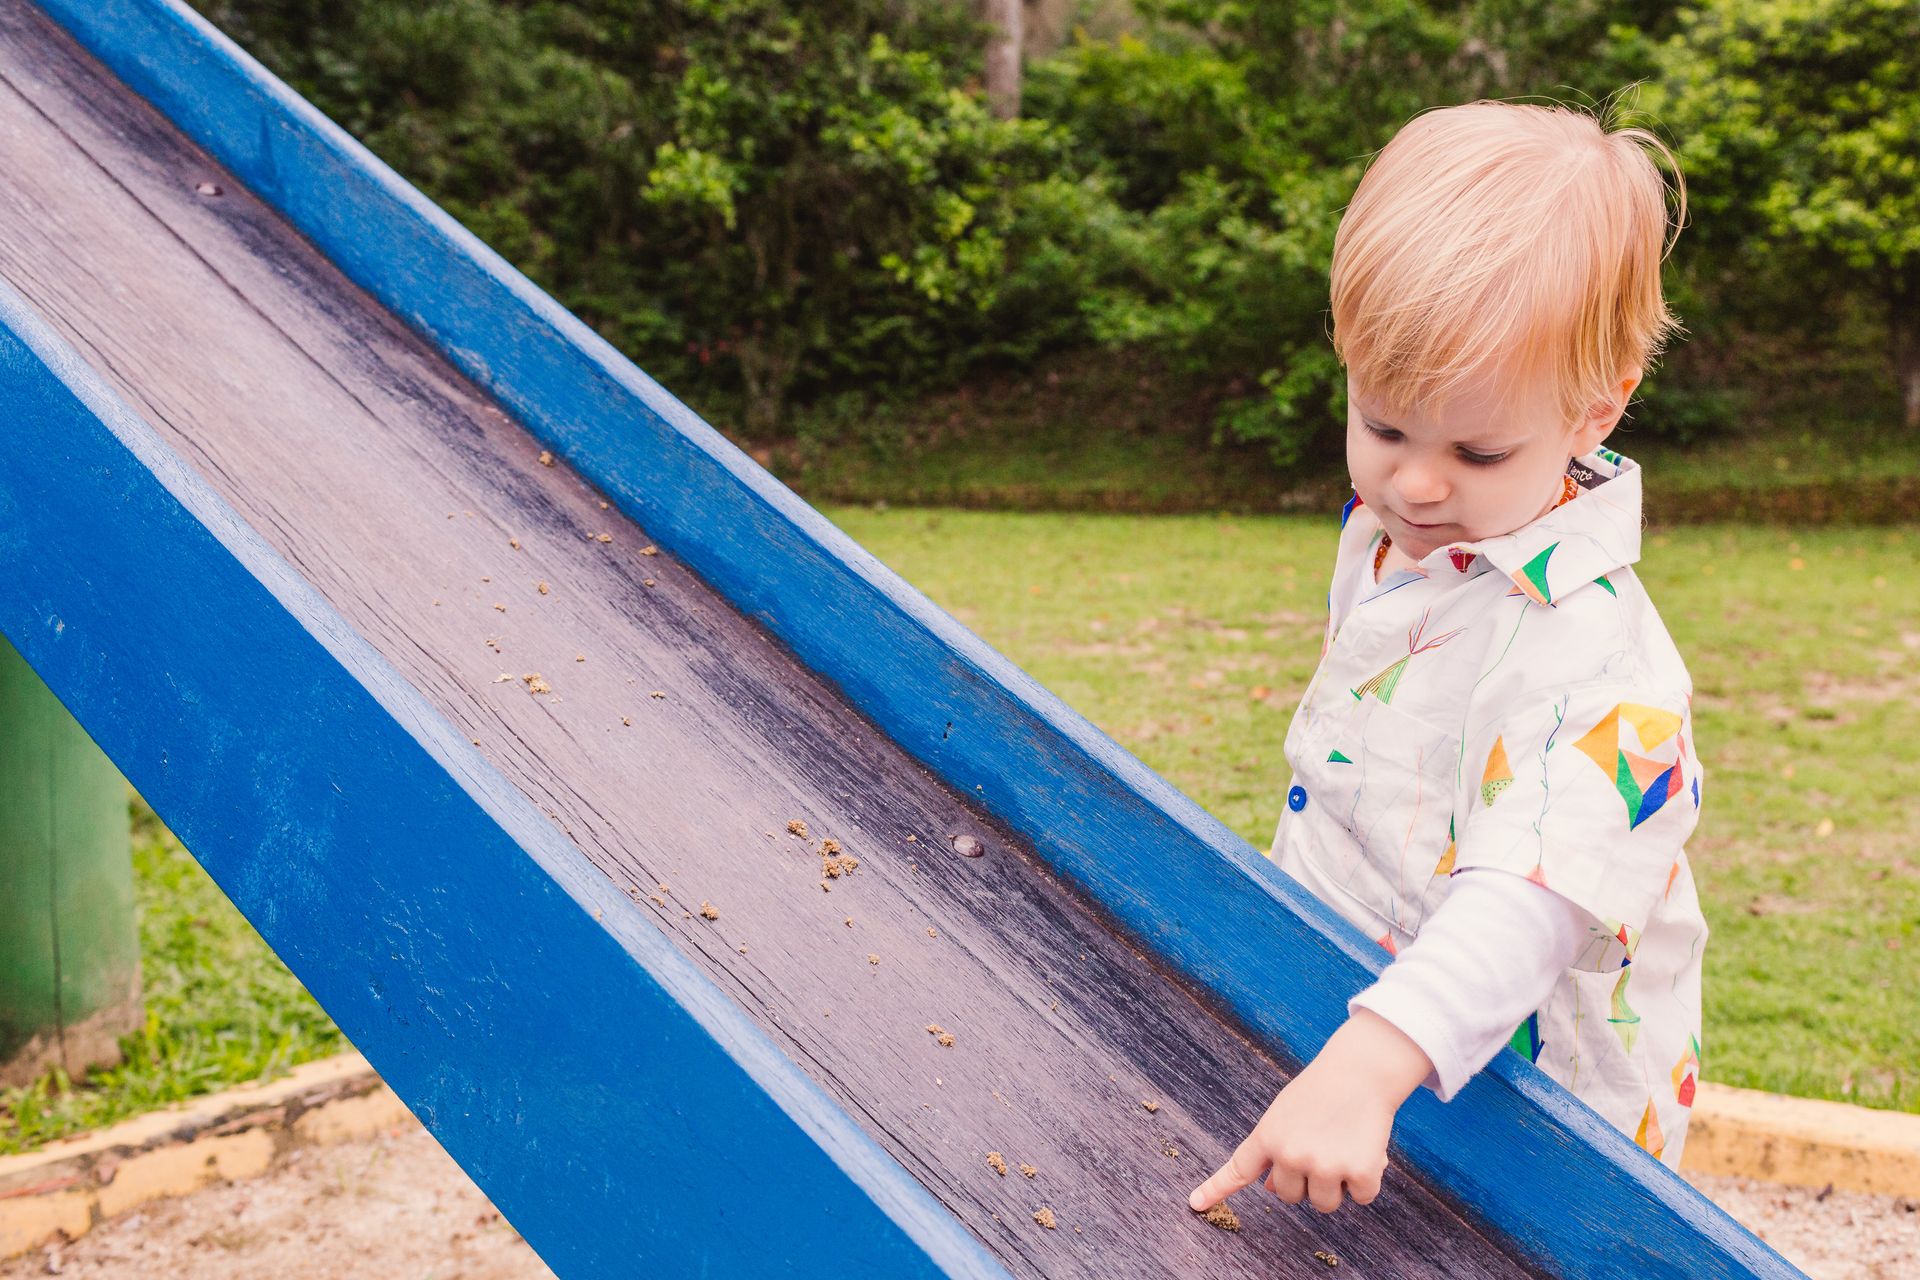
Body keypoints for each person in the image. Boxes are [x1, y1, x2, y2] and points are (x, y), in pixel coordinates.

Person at [1189, 99, 1709, 1219]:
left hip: (1537, 1133)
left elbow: (1528, 901)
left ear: (1596, 411)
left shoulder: (1600, 666)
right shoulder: (1406, 539)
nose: (1416, 483)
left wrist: (1366, 1065)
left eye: (1477, 448)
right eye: (1383, 426)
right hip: (1369, 1039)